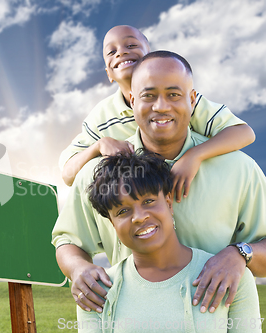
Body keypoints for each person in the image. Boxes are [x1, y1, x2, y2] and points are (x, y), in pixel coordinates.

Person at [52, 51, 266, 320]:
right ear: (132, 100)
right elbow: (67, 240)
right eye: (148, 96)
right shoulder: (98, 174)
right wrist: (78, 269)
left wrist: (239, 254)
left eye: (174, 95)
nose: (161, 106)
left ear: (192, 99)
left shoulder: (239, 169)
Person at [60, 25, 255, 206]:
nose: (121, 52)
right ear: (109, 74)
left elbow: (244, 133)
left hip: (195, 195)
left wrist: (194, 155)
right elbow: (68, 174)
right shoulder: (102, 116)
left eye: (131, 45)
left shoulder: (182, 102)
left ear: (150, 57)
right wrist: (98, 146)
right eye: (112, 51)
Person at [74, 151, 261, 333]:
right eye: (122, 211)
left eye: (148, 201)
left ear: (169, 204)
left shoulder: (230, 275)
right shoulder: (95, 290)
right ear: (112, 224)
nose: (139, 217)